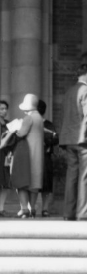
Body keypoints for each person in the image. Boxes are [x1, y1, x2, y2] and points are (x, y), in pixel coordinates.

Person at [59, 64, 87, 220]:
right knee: (84, 177)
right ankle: (83, 213)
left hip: (69, 139)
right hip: (83, 141)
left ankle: (68, 213)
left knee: (72, 176)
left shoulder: (70, 91)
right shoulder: (86, 90)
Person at [12, 94, 44, 218]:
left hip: (26, 154)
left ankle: (24, 208)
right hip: (37, 154)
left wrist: (14, 128)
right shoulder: (39, 117)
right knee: (34, 184)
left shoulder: (28, 118)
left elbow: (20, 134)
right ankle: (33, 208)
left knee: (22, 182)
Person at [37, 99, 59, 217]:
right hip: (33, 156)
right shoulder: (29, 122)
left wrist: (46, 139)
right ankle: (31, 208)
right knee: (32, 184)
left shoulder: (48, 124)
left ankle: (45, 208)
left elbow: (55, 139)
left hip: (45, 157)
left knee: (46, 184)